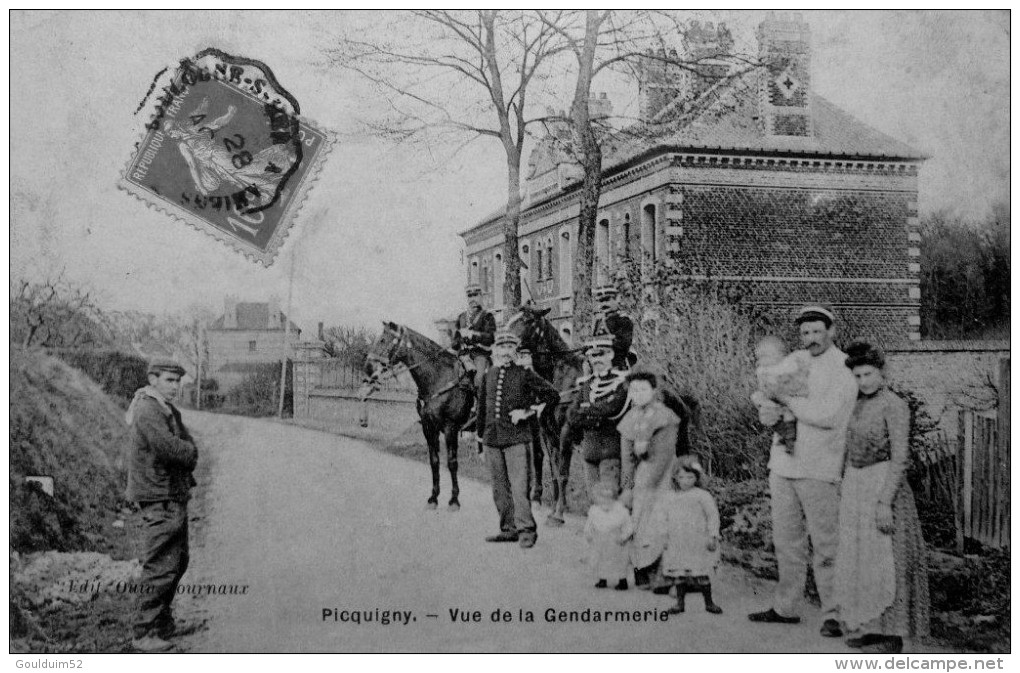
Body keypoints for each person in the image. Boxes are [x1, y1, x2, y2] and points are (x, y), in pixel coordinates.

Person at [748, 305, 858, 638]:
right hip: (782, 463)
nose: (810, 338)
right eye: (805, 332)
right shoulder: (796, 360)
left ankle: (836, 612)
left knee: (827, 544)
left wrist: (788, 401)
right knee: (786, 541)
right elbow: (766, 390)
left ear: (832, 331)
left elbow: (830, 416)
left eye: (816, 331)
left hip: (820, 466)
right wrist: (765, 404)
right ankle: (786, 607)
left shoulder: (844, 368)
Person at [834, 341, 930, 654]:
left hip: (883, 485)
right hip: (856, 486)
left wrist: (884, 501)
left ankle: (894, 633)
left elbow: (901, 457)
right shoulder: (855, 403)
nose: (864, 381)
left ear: (881, 372)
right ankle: (870, 626)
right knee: (860, 558)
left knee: (889, 560)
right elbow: (846, 447)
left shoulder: (894, 405)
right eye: (858, 376)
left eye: (869, 374)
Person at [124, 358, 198, 652]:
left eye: (178, 381)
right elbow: (171, 448)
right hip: (159, 495)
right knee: (160, 566)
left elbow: (184, 442)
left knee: (178, 561)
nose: (175, 386)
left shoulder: (163, 406)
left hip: (171, 494)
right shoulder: (147, 408)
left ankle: (162, 622)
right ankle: (143, 631)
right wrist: (190, 453)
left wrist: (188, 450)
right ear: (153, 379)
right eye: (169, 380)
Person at [476, 330, 559, 548]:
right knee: (499, 488)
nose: (505, 352)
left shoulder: (524, 373)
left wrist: (528, 412)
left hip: (517, 439)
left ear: (515, 350)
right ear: (496, 350)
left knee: (520, 486)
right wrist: (480, 442)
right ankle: (508, 529)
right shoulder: (488, 375)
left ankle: (526, 530)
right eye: (502, 347)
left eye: (510, 347)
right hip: (491, 439)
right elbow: (482, 411)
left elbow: (552, 395)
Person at [617, 370, 680, 591]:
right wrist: (627, 487)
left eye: (643, 389)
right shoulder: (630, 418)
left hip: (663, 475)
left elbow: (665, 454)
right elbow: (627, 459)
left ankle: (664, 573)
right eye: (634, 390)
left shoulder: (665, 416)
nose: (639, 394)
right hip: (641, 475)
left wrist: (651, 485)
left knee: (661, 520)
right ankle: (640, 568)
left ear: (653, 391)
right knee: (638, 520)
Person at [569, 326, 630, 498]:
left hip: (610, 452)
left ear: (610, 354)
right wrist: (592, 414)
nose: (597, 359)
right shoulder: (587, 385)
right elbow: (571, 416)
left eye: (601, 354)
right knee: (593, 501)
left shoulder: (621, 383)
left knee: (608, 500)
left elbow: (611, 408)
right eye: (593, 356)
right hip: (589, 451)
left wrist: (586, 411)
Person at [659, 457, 722, 615]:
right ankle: (680, 603)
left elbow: (712, 516)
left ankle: (709, 602)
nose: (685, 481)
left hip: (697, 540)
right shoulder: (670, 496)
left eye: (690, 477)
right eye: (681, 477)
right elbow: (663, 517)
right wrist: (664, 536)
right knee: (679, 573)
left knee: (700, 571)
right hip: (677, 540)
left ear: (697, 477)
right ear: (675, 477)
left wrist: (713, 535)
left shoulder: (702, 495)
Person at [751, 335, 811, 454]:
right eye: (759, 357)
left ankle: (789, 438)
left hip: (789, 398)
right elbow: (763, 387)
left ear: (779, 355)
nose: (761, 361)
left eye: (764, 356)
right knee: (758, 399)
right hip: (773, 400)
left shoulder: (787, 365)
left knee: (788, 415)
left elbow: (796, 377)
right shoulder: (764, 369)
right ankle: (783, 433)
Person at [584, 477, 634, 591]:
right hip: (600, 541)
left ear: (614, 497)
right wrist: (588, 534)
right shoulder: (594, 511)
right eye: (602, 498)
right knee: (600, 560)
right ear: (597, 498)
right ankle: (602, 579)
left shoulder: (621, 511)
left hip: (616, 541)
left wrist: (623, 537)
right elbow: (589, 525)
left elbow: (629, 526)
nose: (606, 501)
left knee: (619, 562)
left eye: (609, 498)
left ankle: (622, 580)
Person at [451, 284, 496, 396]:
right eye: (470, 296)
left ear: (481, 297)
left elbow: (490, 338)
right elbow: (454, 343)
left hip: (479, 354)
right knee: (449, 376)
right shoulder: (461, 317)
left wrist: (473, 335)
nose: (473, 299)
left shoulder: (487, 316)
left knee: (479, 378)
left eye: (475, 295)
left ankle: (480, 408)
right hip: (463, 355)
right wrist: (458, 341)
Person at [591, 285, 634, 370]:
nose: (604, 304)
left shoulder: (623, 320)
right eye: (601, 301)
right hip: (598, 363)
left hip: (616, 363)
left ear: (616, 300)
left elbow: (623, 344)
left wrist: (603, 344)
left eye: (607, 300)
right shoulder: (599, 321)